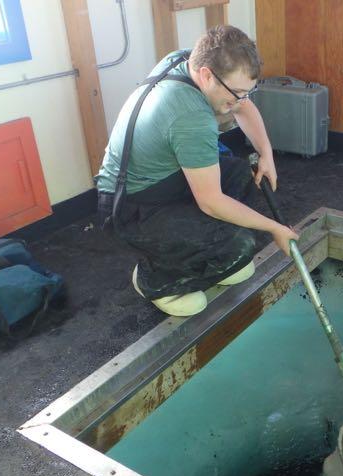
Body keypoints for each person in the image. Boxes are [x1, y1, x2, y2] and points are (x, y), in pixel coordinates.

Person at [95, 25, 298, 317]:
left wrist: (266, 154)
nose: (240, 101)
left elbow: (243, 107)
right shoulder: (192, 117)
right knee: (241, 244)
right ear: (206, 75)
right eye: (236, 94)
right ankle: (155, 279)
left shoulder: (187, 61)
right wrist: (275, 228)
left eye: (246, 92)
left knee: (242, 175)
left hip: (161, 177)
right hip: (130, 205)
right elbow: (211, 201)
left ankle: (202, 255)